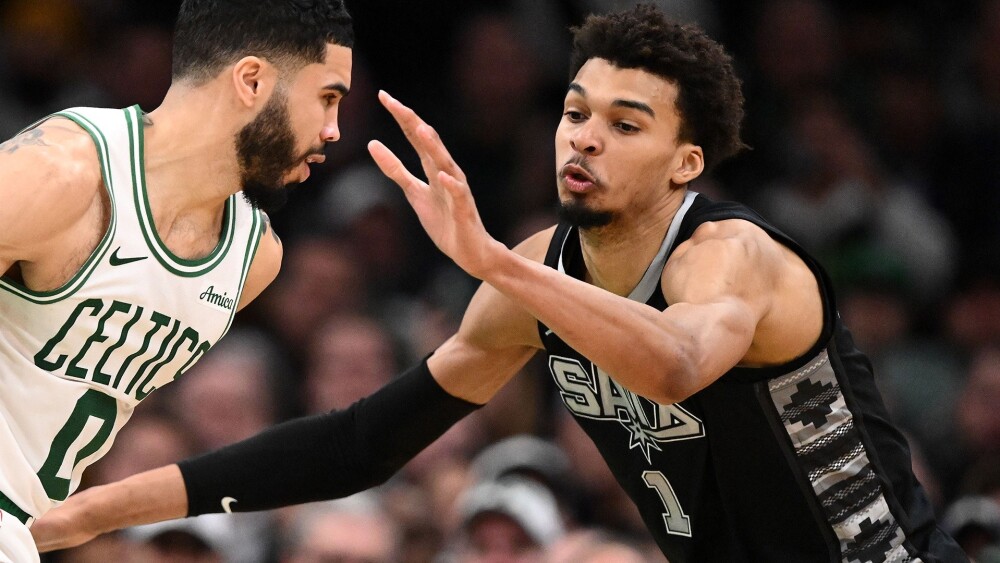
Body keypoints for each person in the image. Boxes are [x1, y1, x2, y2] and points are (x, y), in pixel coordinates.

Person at [31, 5, 967, 562]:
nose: (584, 137)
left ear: (687, 162)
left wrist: (492, 263)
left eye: (625, 124)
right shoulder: (536, 277)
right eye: (574, 111)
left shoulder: (730, 256)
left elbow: (678, 364)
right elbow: (361, 443)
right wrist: (94, 509)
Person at [0, 0, 354, 561]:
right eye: (327, 98)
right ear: (252, 81)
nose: (334, 131)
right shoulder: (62, 172)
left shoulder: (253, 259)